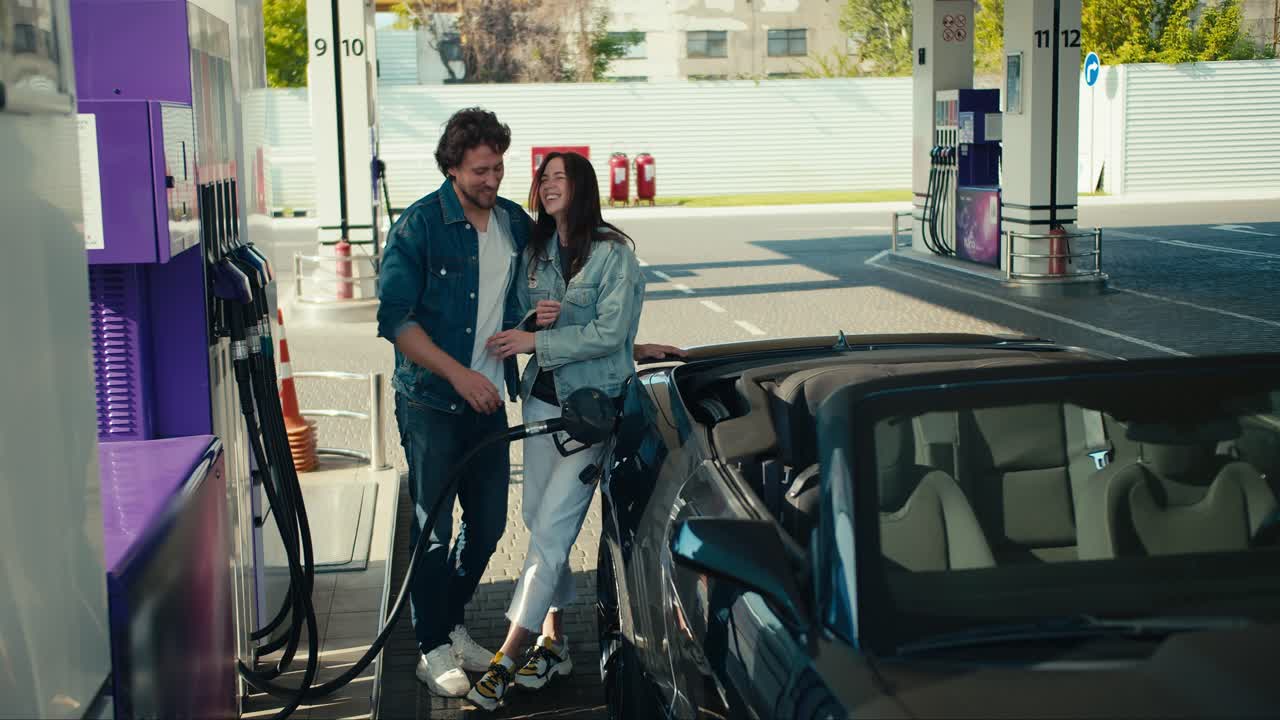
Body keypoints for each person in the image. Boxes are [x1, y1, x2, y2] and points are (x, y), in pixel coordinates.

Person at [378, 108, 683, 698]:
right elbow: (396, 322)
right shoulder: (419, 226)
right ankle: (432, 645)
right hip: (434, 401)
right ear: (451, 167)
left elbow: (562, 309)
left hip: (491, 403)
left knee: (491, 526)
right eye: (479, 171)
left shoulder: (516, 224)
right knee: (435, 530)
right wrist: (461, 375)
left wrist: (624, 347)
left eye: (498, 168)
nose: (492, 181)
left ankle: (455, 620)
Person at [467, 152, 646, 711]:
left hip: (588, 414)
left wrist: (535, 343)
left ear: (583, 187)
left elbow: (608, 332)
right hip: (541, 406)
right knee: (537, 520)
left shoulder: (615, 255)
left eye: (558, 178)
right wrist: (528, 325)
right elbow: (520, 316)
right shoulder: (538, 252)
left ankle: (507, 656)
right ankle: (556, 642)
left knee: (550, 532)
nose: (547, 186)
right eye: (542, 179)